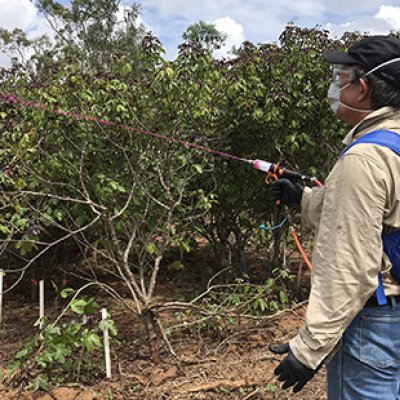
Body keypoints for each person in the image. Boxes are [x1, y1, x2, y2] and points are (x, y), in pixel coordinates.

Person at [271, 35, 400, 399]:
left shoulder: (365, 158)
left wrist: (309, 348)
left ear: (362, 88)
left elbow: (350, 264)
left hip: (374, 326)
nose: (335, 86)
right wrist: (305, 199)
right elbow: (384, 215)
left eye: (340, 78)